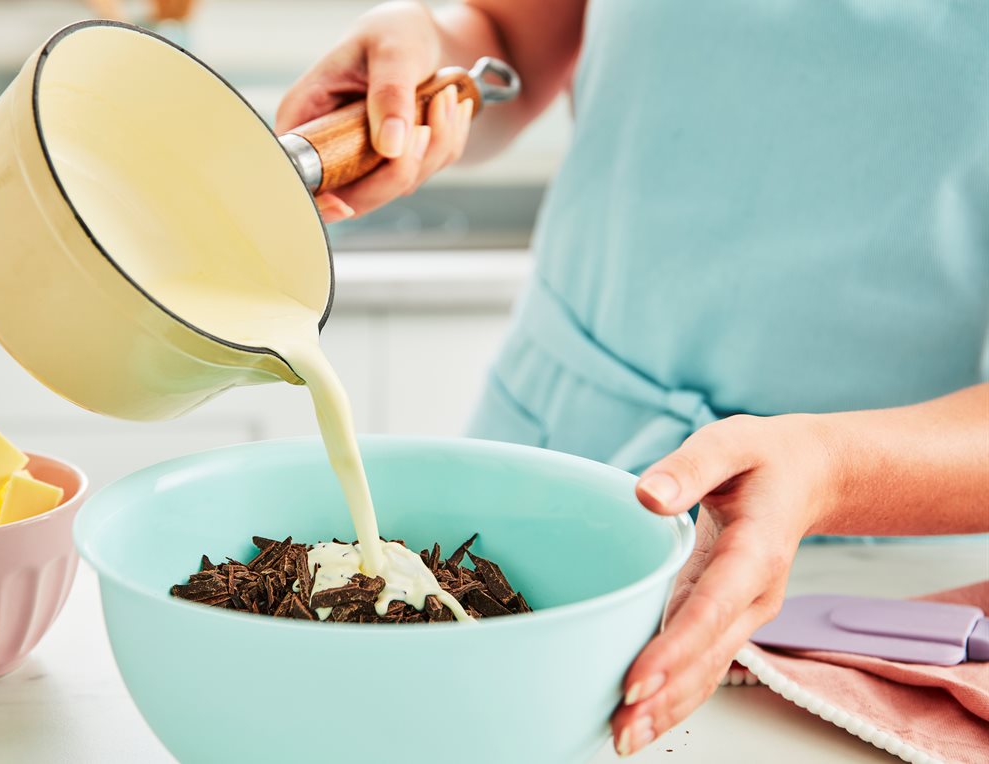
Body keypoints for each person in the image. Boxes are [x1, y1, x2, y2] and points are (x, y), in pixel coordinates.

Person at [275, 0, 989, 756]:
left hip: (860, 551)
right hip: (544, 455)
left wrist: (830, 473)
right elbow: (504, 35)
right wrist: (427, 46)